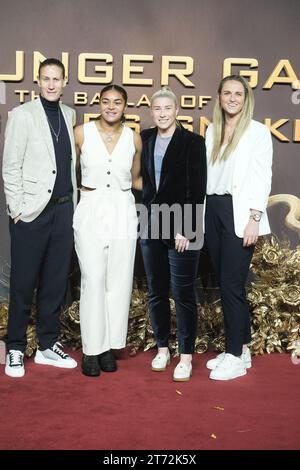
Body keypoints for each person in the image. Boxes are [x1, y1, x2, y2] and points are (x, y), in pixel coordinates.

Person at [2, 58, 78, 378]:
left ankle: (47, 345)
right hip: (32, 213)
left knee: (55, 283)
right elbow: (10, 166)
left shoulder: (70, 114)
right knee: (23, 283)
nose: (50, 84)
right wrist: (17, 209)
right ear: (38, 82)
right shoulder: (21, 116)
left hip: (63, 210)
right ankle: (16, 347)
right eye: (45, 78)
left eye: (56, 79)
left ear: (64, 82)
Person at [205, 75, 273, 380]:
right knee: (225, 280)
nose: (232, 98)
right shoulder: (212, 131)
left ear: (246, 99)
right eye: (227, 93)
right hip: (213, 210)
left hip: (240, 213)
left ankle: (233, 355)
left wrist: (254, 219)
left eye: (238, 94)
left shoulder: (258, 133)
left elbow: (262, 177)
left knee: (232, 284)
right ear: (219, 97)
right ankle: (242, 349)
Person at [73, 84, 142, 377]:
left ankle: (108, 347)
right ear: (98, 104)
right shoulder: (81, 133)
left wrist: (174, 193)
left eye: (117, 102)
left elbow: (136, 178)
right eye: (106, 101)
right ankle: (91, 349)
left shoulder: (134, 139)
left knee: (119, 278)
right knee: (93, 277)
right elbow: (65, 172)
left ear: (125, 106)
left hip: (123, 208)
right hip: (91, 205)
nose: (111, 107)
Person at [139, 87, 206, 382]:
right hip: (150, 222)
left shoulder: (193, 142)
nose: (163, 113)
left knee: (183, 293)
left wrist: (187, 228)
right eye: (157, 109)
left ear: (177, 110)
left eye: (168, 108)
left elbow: (197, 188)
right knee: (156, 290)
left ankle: (186, 355)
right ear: (152, 112)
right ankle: (163, 348)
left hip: (182, 224)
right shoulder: (145, 138)